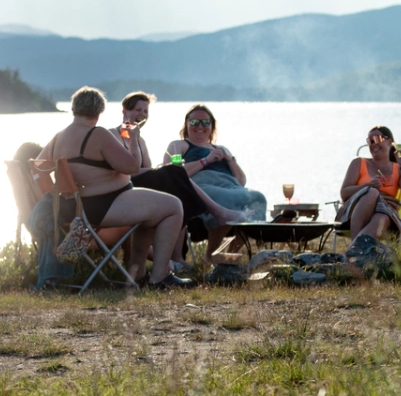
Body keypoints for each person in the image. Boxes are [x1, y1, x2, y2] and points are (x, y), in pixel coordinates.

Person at [33, 86, 187, 289]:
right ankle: (160, 277)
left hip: (77, 208)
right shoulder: (98, 135)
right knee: (173, 206)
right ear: (99, 112)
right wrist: (133, 139)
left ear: (74, 109)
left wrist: (65, 191)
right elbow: (132, 166)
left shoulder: (58, 138)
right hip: (104, 206)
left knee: (151, 213)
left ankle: (138, 273)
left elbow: (37, 166)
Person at [116, 92, 246, 256]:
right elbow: (124, 172)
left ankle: (177, 257)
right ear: (124, 111)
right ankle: (217, 213)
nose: (142, 115)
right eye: (137, 110)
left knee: (177, 188)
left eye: (145, 111)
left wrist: (229, 159)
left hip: (142, 189)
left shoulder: (140, 141)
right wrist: (164, 169)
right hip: (125, 190)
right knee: (175, 174)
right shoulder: (116, 136)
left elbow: (147, 169)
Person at [164, 105, 268, 224]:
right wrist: (206, 160)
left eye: (205, 122)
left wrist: (230, 160)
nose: (200, 126)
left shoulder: (221, 149)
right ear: (186, 124)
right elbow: (171, 174)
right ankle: (221, 234)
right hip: (203, 187)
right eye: (194, 122)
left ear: (211, 125)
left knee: (258, 197)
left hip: (230, 186)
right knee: (224, 197)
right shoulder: (179, 145)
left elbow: (241, 182)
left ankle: (241, 240)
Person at [339, 125, 401, 259]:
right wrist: (368, 185)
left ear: (389, 141)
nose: (373, 144)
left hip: (385, 213)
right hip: (355, 213)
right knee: (372, 193)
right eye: (370, 141)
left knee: (382, 217)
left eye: (377, 138)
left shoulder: (398, 168)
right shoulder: (359, 163)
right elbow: (344, 193)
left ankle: (352, 256)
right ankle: (355, 253)